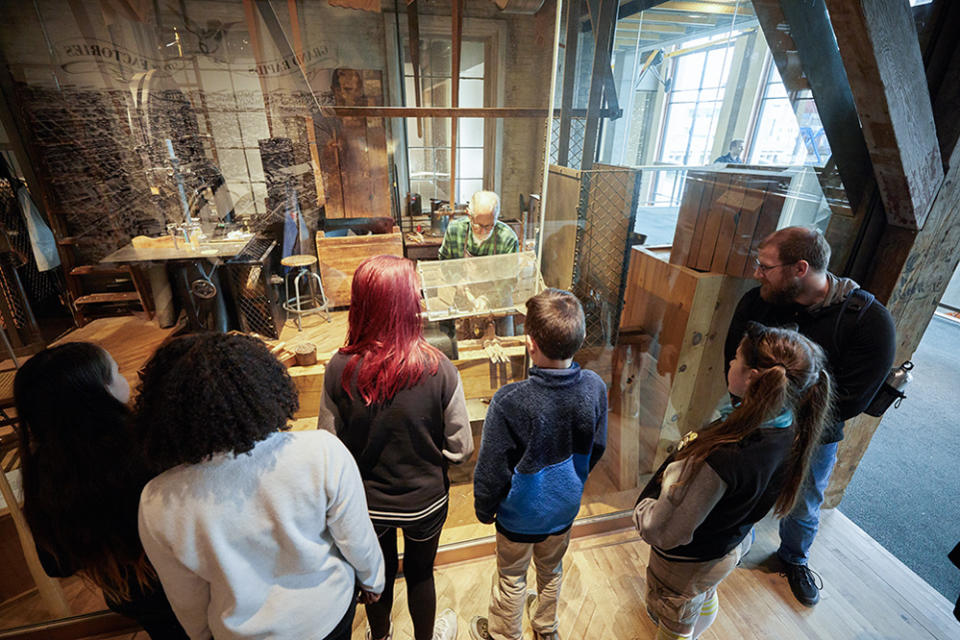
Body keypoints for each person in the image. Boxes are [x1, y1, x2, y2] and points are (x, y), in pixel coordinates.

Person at [136, 333, 384, 640]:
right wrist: (373, 581)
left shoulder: (157, 500)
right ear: (263, 385)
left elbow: (186, 594)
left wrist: (202, 634)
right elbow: (356, 537)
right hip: (327, 614)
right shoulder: (321, 452)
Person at [724, 226, 896, 606]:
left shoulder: (869, 321)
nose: (757, 273)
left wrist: (781, 412)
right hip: (756, 419)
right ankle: (733, 544)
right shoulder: (760, 301)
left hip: (815, 433)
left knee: (804, 502)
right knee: (743, 489)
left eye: (765, 266)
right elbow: (733, 361)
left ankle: (794, 557)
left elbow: (851, 400)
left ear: (800, 268)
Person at [635, 323, 833, 640]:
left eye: (736, 358)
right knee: (702, 594)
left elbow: (666, 532)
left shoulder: (725, 457)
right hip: (727, 545)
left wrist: (650, 502)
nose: (729, 363)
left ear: (752, 377)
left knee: (676, 616)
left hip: (686, 563)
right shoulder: (790, 428)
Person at [318, 254, 473, 640]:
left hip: (367, 504)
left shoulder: (339, 367)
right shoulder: (440, 367)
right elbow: (461, 448)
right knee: (421, 573)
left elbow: (327, 443)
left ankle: (381, 636)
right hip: (426, 500)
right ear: (408, 302)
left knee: (380, 573)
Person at [13, 342, 187, 639]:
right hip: (183, 584)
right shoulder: (145, 449)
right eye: (116, 372)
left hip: (130, 598)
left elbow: (56, 565)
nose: (126, 379)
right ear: (98, 395)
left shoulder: (41, 470)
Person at [469, 288, 608, 640]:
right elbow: (599, 446)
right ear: (578, 340)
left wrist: (485, 509)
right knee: (551, 571)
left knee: (512, 577)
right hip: (563, 510)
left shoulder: (509, 401)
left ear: (529, 343)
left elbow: (491, 469)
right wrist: (573, 481)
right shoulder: (594, 388)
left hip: (519, 515)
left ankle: (504, 635)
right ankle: (547, 630)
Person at [438, 190, 519, 260]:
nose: (483, 232)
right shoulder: (454, 230)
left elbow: (511, 273)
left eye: (489, 226)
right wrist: (459, 277)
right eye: (478, 225)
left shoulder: (508, 239)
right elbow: (445, 263)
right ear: (469, 215)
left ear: (496, 217)